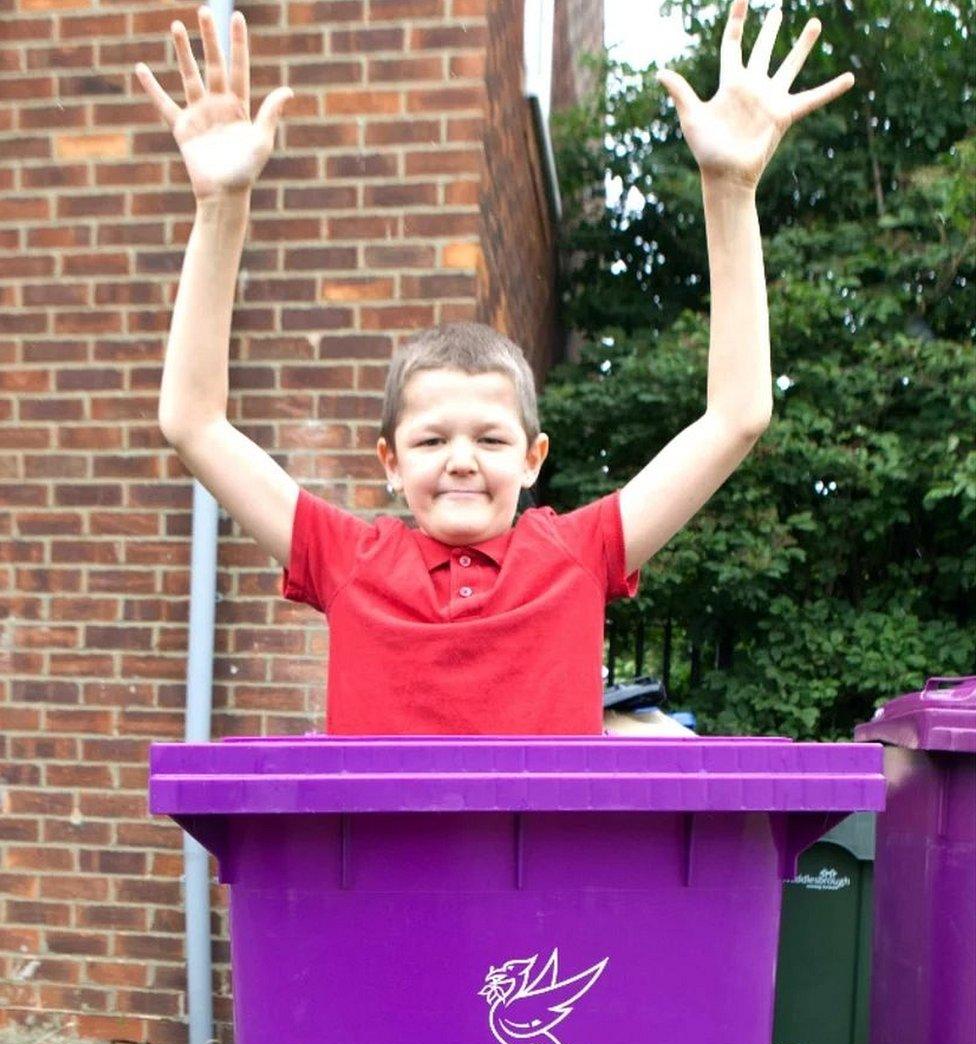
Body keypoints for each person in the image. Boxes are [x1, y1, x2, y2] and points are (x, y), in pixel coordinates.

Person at [135, 1, 853, 735]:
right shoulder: (349, 559)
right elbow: (192, 422)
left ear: (534, 456)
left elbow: (736, 416)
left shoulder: (578, 555)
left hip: (541, 857)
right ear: (388, 460)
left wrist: (729, 193)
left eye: (490, 438)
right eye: (429, 439)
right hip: (383, 857)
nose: (460, 461)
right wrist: (220, 205)